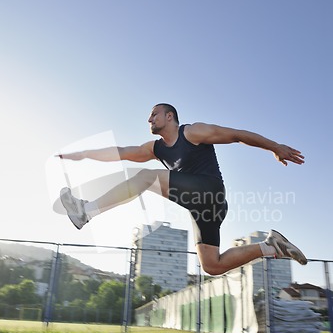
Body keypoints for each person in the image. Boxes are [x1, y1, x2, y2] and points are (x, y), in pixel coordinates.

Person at [59, 103, 307, 275]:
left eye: (154, 114)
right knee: (212, 266)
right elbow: (122, 153)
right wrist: (83, 154)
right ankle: (271, 246)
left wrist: (275, 146)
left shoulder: (192, 131)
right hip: (203, 209)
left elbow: (236, 135)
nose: (149, 119)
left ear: (169, 116)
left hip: (211, 191)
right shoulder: (155, 149)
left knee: (145, 177)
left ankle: (87, 211)